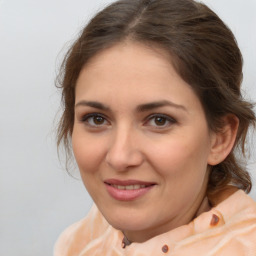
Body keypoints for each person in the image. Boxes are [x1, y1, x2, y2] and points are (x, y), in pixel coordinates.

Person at [54, 0, 256, 255]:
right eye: (97, 119)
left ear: (220, 138)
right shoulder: (78, 244)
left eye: (159, 120)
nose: (120, 157)